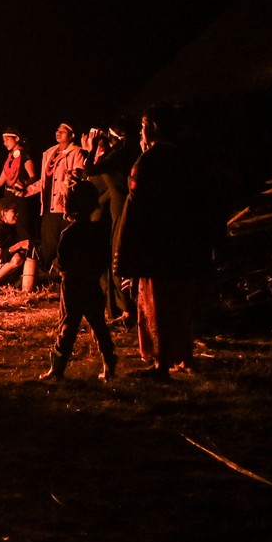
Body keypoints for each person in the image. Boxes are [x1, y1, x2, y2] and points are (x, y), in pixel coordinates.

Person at [114, 105, 219, 380]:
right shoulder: (189, 159)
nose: (140, 132)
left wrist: (123, 251)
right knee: (181, 302)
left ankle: (161, 363)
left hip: (157, 246)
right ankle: (184, 356)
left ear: (154, 129)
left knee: (156, 304)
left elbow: (133, 209)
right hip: (184, 244)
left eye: (143, 126)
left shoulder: (148, 162)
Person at [40, 181, 117, 381]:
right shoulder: (99, 232)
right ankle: (109, 365)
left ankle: (56, 369)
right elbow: (104, 258)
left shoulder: (70, 233)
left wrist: (63, 269)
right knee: (99, 325)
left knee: (67, 326)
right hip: (91, 285)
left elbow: (63, 261)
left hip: (73, 286)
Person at [82, 122, 138, 327]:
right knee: (116, 255)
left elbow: (91, 169)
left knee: (118, 256)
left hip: (120, 208)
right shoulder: (125, 153)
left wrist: (91, 148)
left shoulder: (119, 154)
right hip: (119, 206)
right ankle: (121, 307)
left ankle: (128, 309)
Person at [24, 123, 85, 277]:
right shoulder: (50, 153)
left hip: (63, 206)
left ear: (72, 136)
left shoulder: (76, 152)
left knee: (63, 245)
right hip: (48, 206)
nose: (59, 133)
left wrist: (72, 180)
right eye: (57, 130)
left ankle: (62, 278)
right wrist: (28, 190)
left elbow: (78, 176)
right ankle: (49, 277)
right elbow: (45, 182)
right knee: (49, 244)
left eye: (63, 131)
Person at [0, 127, 38, 241]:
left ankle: (28, 256)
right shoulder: (9, 159)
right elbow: (0, 182)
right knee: (6, 232)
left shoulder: (25, 156)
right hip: (8, 200)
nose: (4, 143)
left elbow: (33, 177)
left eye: (7, 139)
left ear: (17, 138)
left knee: (22, 232)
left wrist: (25, 183)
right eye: (3, 140)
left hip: (20, 200)